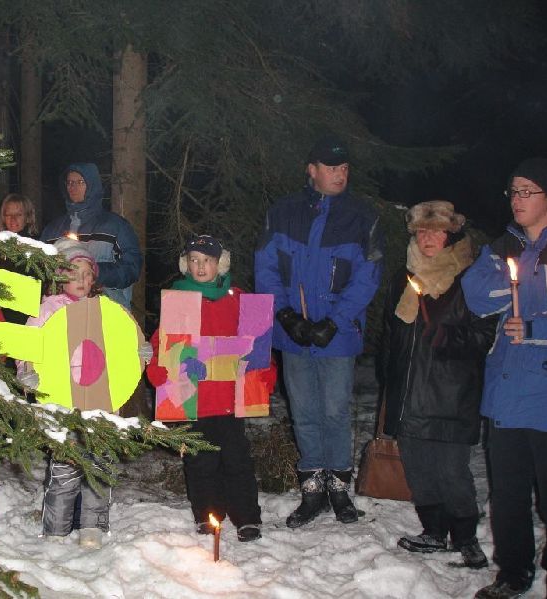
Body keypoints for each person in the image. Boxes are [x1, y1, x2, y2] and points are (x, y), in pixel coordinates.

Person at [255, 135, 383, 528]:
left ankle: (339, 487)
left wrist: (335, 321)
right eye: (331, 167)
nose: (339, 174)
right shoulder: (283, 212)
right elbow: (266, 268)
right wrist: (287, 315)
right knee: (305, 412)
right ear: (311, 170)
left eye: (344, 168)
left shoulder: (362, 216)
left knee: (335, 410)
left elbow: (368, 276)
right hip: (294, 331)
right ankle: (312, 489)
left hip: (338, 333)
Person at [379, 201, 495, 569]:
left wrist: (449, 338)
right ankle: (433, 531)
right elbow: (389, 331)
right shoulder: (404, 276)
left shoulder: (469, 278)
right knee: (419, 469)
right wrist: (388, 374)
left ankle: (466, 538)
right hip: (409, 393)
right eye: (422, 231)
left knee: (452, 473)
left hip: (450, 394)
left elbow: (485, 336)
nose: (428, 238)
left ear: (451, 235)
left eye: (436, 231)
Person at [146, 235, 275, 542]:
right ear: (185, 264)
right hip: (195, 399)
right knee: (200, 460)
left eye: (206, 260)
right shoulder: (177, 300)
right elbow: (161, 342)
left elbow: (257, 345)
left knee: (237, 459)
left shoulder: (239, 298)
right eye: (193, 260)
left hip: (230, 398)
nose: (200, 266)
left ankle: (246, 517)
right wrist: (159, 368)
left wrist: (265, 372)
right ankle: (207, 514)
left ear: (220, 263)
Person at [462, 158, 547, 599]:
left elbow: (519, 302)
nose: (517, 200)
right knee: (509, 494)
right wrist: (515, 290)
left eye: (527, 191)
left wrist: (537, 327)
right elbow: (476, 296)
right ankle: (512, 572)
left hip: (546, 392)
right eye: (513, 191)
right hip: (507, 390)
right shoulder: (501, 247)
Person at [17, 238, 111, 549]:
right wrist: (27, 370)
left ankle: (92, 527)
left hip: (97, 399)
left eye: (87, 274)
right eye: (73, 273)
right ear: (60, 276)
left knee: (97, 462)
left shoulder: (103, 308)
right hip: (60, 400)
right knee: (65, 464)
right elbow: (28, 344)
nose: (81, 281)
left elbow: (121, 343)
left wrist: (139, 351)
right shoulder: (47, 309)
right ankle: (56, 528)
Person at [40, 163, 142, 310]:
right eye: (69, 182)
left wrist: (97, 272)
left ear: (92, 184)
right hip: (61, 315)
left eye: (80, 182)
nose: (73, 187)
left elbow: (132, 268)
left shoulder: (115, 226)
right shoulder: (52, 230)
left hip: (107, 314)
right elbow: (39, 271)